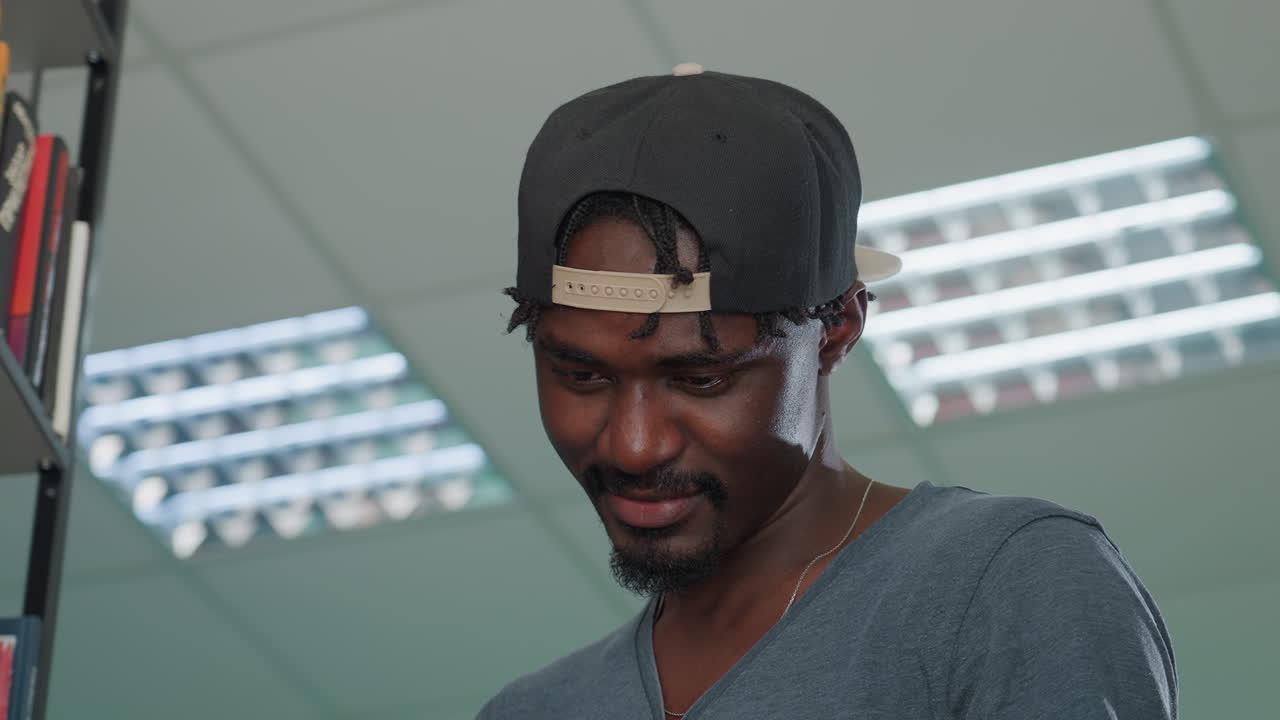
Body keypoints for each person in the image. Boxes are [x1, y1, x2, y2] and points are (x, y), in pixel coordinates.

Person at [479, 64, 1178, 719]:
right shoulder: (534, 710)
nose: (634, 444)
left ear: (838, 327)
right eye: (581, 376)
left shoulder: (1001, 582)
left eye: (701, 378)